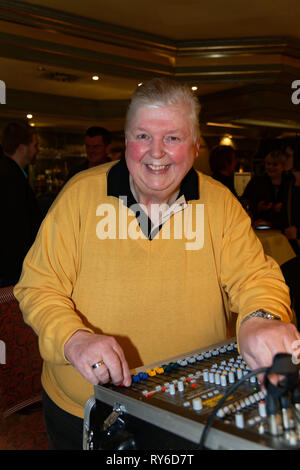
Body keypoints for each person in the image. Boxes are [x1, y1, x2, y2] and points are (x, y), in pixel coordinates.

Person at [14, 78, 300, 450]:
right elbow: (38, 286)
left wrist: (260, 316)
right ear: (127, 140)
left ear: (195, 146)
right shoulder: (79, 196)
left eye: (173, 138)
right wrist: (73, 337)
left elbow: (256, 277)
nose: (157, 153)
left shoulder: (220, 203)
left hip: (189, 409)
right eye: (143, 135)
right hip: (84, 406)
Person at [0, 122, 42, 287]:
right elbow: (16, 230)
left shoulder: (9, 172)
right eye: (34, 145)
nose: (37, 150)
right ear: (22, 148)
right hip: (11, 269)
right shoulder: (11, 179)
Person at [242, 150, 293, 231]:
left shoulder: (290, 184)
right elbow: (245, 202)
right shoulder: (256, 182)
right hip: (260, 227)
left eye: (275, 165)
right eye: (268, 164)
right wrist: (257, 208)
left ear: (283, 167)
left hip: (283, 229)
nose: (271, 167)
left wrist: (283, 208)